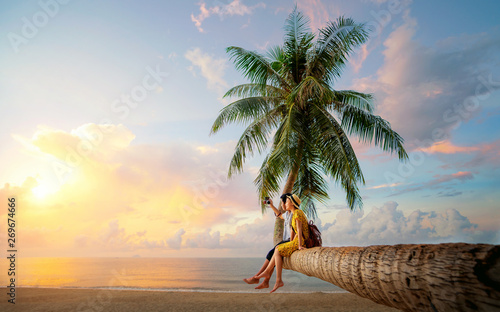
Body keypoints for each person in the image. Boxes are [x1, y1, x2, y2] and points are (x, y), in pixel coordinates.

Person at [255, 193, 309, 293]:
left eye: (287, 201)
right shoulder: (293, 213)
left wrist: (300, 245)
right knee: (276, 249)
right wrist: (291, 244)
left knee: (277, 250)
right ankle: (272, 277)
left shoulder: (297, 213)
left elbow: (299, 229)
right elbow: (293, 230)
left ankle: (275, 278)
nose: (285, 203)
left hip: (299, 241)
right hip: (295, 240)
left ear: (292, 203)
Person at [243, 194, 293, 289]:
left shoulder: (294, 214)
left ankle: (258, 277)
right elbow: (279, 215)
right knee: (271, 254)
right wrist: (271, 205)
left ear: (288, 202)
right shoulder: (287, 214)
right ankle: (263, 280)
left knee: (273, 253)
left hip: (290, 241)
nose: (282, 205)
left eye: (283, 202)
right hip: (286, 240)